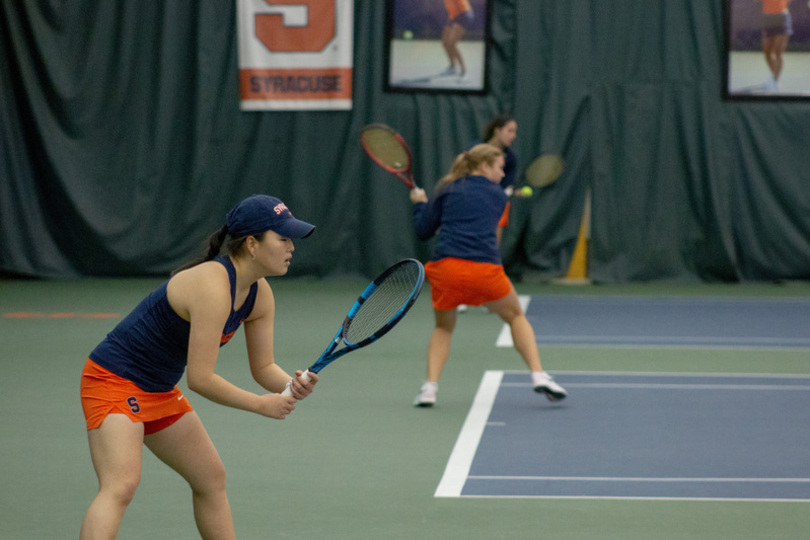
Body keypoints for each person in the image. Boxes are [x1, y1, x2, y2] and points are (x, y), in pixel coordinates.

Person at [79, 194, 319, 539]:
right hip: (113, 380)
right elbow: (200, 379)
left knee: (210, 478)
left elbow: (263, 366)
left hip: (158, 389)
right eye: (282, 238)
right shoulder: (212, 285)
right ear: (252, 244)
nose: (291, 247)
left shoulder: (259, 294)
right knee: (121, 484)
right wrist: (261, 404)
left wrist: (289, 385)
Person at [409, 144, 567, 407]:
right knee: (516, 317)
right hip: (485, 271)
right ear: (483, 166)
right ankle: (539, 376)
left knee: (443, 327)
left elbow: (423, 230)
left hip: (447, 270)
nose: (503, 173)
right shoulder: (499, 195)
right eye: (499, 168)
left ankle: (429, 389)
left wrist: (420, 204)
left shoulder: (446, 188)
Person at [481, 114, 519, 246]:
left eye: (515, 132)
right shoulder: (476, 150)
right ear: (497, 131)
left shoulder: (511, 158)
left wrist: (507, 192)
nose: (513, 136)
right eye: (510, 131)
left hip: (497, 204)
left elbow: (507, 185)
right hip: (474, 201)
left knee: (492, 247)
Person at [759, 0, 793, 91]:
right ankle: (773, 74)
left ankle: (775, 81)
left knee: (778, 52)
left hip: (782, 17)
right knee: (767, 52)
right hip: (768, 18)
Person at [441, 0, 474, 77]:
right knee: (445, 43)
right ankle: (452, 67)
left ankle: (464, 70)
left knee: (451, 44)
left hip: (463, 15)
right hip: (452, 16)